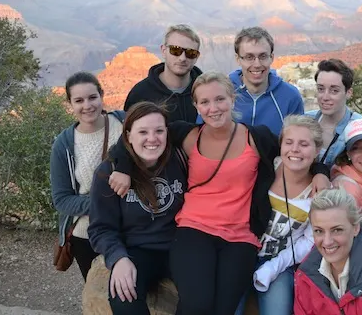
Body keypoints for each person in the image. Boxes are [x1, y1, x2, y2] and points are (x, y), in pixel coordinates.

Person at [107, 72, 331, 315]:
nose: (213, 108)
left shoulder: (256, 137)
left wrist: (321, 170)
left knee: (224, 310)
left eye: (219, 99)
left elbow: (296, 152)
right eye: (204, 102)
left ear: (232, 99)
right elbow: (137, 135)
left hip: (240, 238)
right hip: (194, 230)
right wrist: (122, 167)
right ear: (196, 106)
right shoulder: (187, 135)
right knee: (197, 306)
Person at [88, 102, 187, 314]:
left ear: (167, 133)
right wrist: (118, 258)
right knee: (123, 296)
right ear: (128, 136)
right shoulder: (109, 173)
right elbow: (101, 228)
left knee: (201, 297)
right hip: (137, 250)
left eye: (159, 131)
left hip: (180, 247)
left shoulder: (180, 161)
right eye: (143, 132)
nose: (152, 139)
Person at [235, 115, 323, 315]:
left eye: (304, 144)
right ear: (280, 145)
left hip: (280, 262)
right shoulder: (264, 167)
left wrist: (273, 267)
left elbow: (308, 242)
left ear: (317, 150)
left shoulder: (319, 191)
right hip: (241, 252)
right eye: (289, 142)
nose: (295, 150)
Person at [49, 72, 125, 281]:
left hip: (132, 227)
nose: (87, 105)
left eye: (92, 97)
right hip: (88, 235)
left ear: (101, 95)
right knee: (99, 296)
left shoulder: (124, 123)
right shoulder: (63, 145)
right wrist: (106, 205)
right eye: (79, 100)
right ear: (70, 104)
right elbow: (62, 200)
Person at [229, 26, 304, 136]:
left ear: (271, 57)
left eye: (263, 56)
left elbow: (298, 141)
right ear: (238, 59)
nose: (257, 64)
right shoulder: (222, 93)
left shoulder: (290, 96)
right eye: (249, 57)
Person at [124, 23, 203, 122]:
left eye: (190, 53)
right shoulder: (140, 94)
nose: (182, 58)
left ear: (196, 57)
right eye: (175, 50)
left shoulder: (205, 92)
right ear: (163, 50)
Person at [305, 59, 362, 167]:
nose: (325, 97)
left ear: (348, 93)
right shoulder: (304, 122)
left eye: (334, 91)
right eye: (321, 89)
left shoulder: (360, 127)